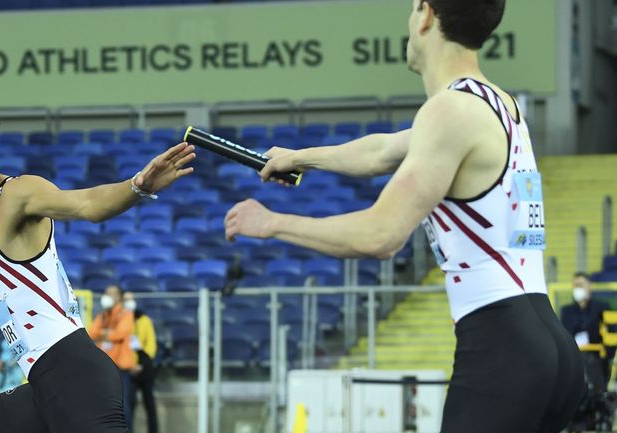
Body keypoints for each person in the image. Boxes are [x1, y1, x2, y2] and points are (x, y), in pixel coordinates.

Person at [223, 1, 585, 432]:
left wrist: (273, 223)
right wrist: (299, 157)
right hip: (551, 347)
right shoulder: (497, 104)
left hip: (502, 347)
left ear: (426, 13)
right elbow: (382, 151)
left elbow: (380, 235)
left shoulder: (447, 111)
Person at [0, 95, 195, 433]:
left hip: (76, 377)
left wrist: (136, 187)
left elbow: (86, 203)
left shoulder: (18, 194)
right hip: (43, 385)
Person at [89, 285, 136, 431]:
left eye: (111, 294)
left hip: (121, 368)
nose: (107, 297)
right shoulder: (102, 315)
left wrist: (104, 334)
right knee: (103, 406)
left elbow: (120, 333)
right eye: (106, 293)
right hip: (104, 368)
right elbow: (91, 332)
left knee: (123, 406)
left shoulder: (126, 314)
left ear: (119, 298)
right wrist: (109, 333)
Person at [560, 272, 612, 384]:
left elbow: (608, 333)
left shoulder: (602, 307)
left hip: (597, 356)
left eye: (581, 285)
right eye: (576, 285)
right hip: (575, 356)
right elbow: (566, 333)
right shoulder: (566, 311)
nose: (578, 288)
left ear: (589, 286)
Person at [123, 292, 159, 433]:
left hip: (145, 367)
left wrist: (143, 363)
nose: (128, 303)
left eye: (130, 300)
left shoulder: (144, 320)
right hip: (128, 368)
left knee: (149, 404)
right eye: (125, 300)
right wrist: (131, 364)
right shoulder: (120, 320)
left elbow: (151, 345)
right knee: (129, 404)